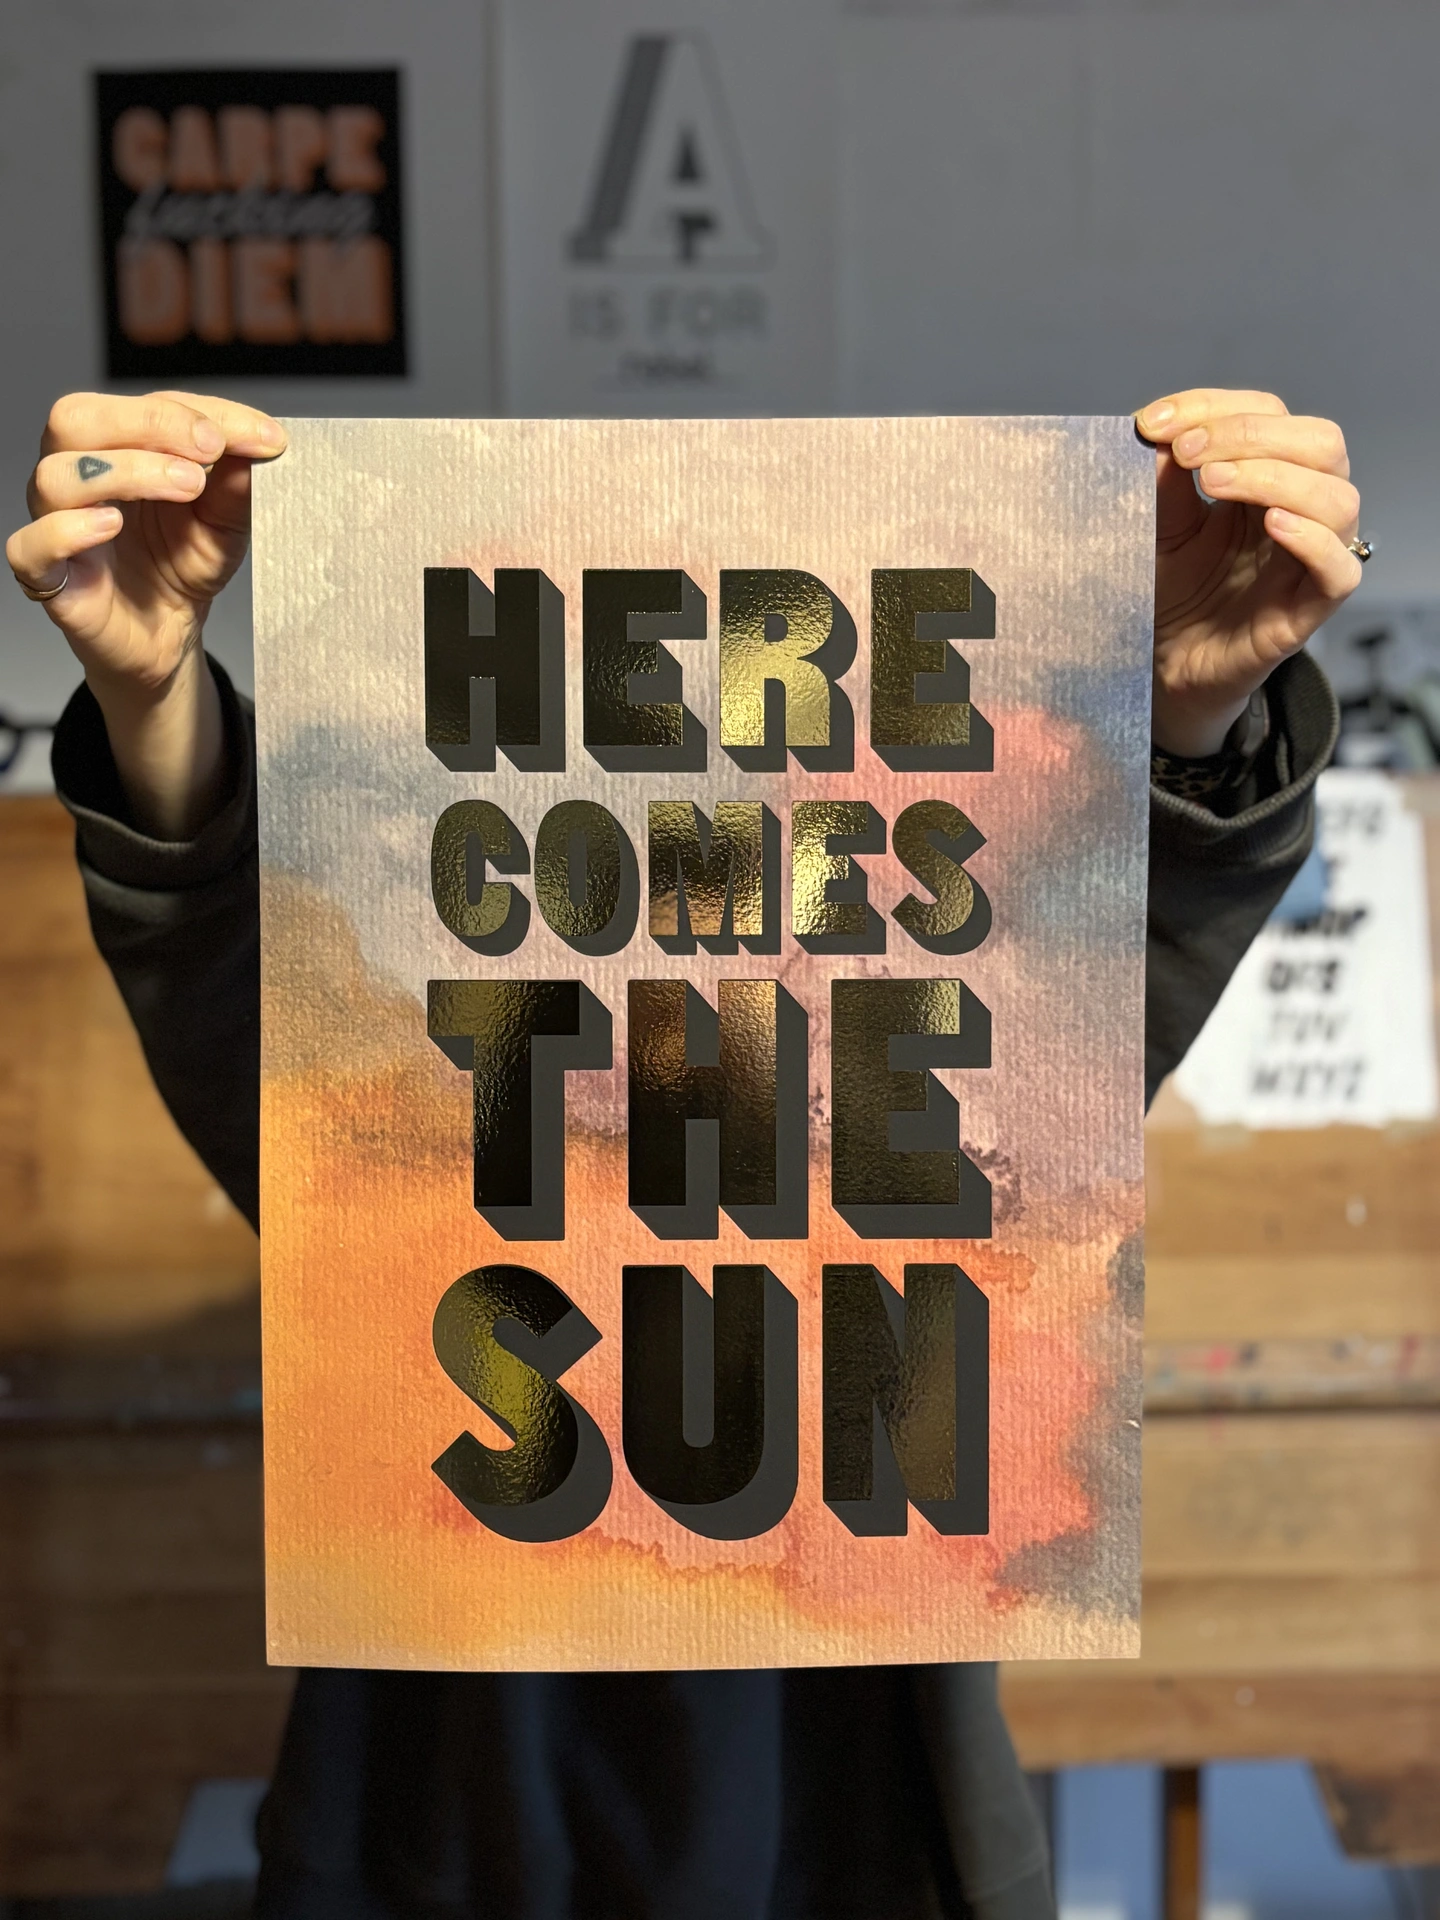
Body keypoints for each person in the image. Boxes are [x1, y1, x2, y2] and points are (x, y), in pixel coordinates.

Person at [8, 388, 1357, 1919]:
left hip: (853, 1832)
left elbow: (1071, 1017)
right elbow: (249, 1017)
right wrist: (155, 709)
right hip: (437, 1831)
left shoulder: (913, 1108)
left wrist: (1180, 717)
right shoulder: (435, 1114)